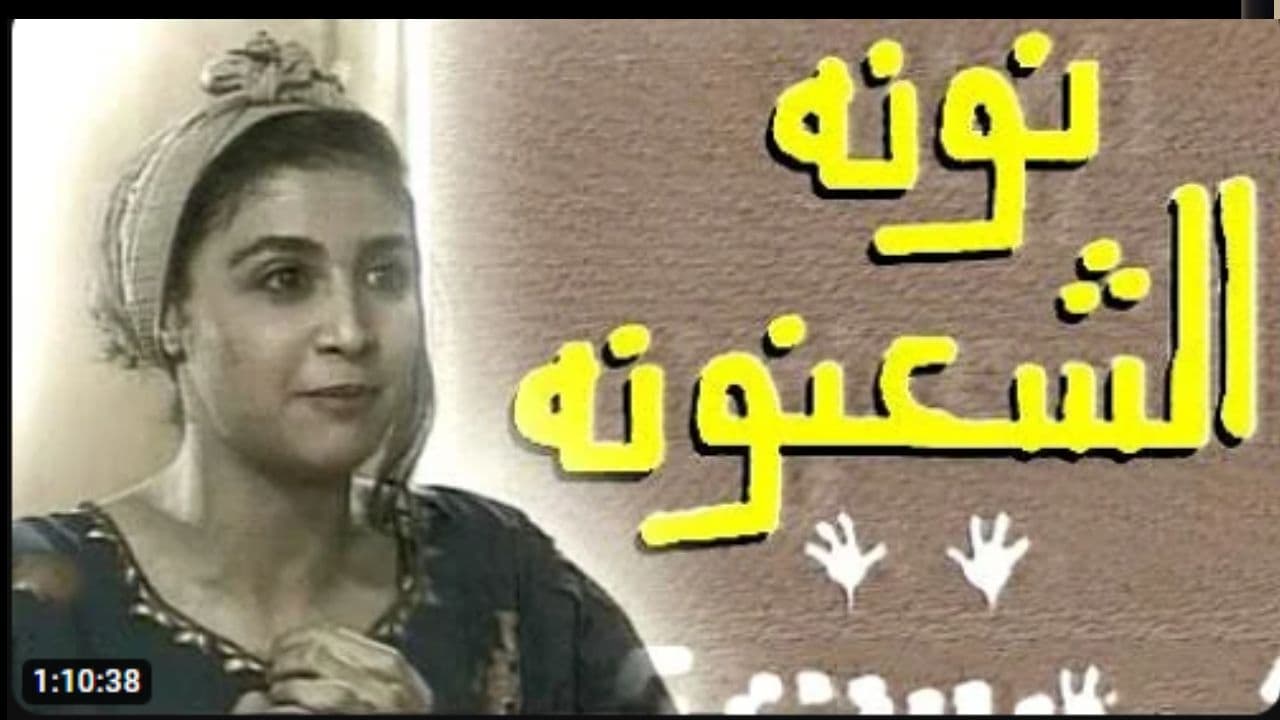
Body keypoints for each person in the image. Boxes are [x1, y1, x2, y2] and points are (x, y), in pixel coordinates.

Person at [11, 31, 675, 715]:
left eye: (386, 276)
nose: (352, 331)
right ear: (172, 313)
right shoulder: (43, 613)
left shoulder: (508, 584)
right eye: (285, 279)